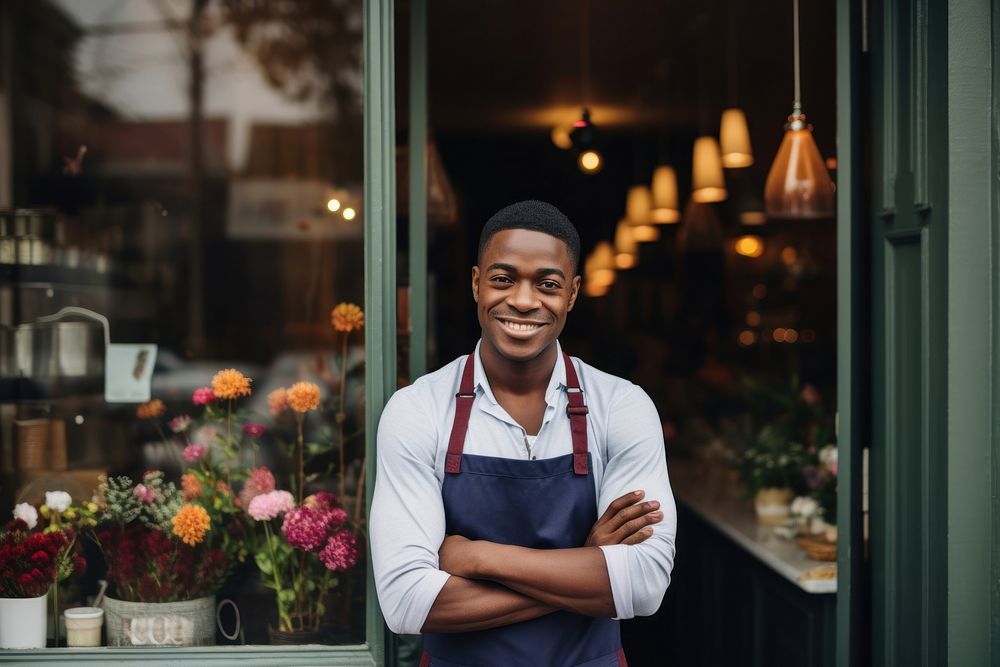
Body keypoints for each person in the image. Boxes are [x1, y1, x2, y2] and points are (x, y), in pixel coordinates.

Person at [371, 200, 677, 666]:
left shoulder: (621, 406)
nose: (523, 300)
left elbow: (644, 586)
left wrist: (476, 558)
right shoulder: (419, 410)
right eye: (503, 278)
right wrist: (587, 564)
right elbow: (407, 602)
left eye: (548, 284)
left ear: (572, 294)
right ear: (476, 284)